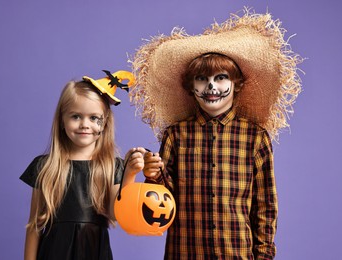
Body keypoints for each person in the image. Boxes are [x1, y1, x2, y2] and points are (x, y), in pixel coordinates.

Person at [129, 9, 303, 260]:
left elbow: (265, 205)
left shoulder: (255, 138)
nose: (211, 86)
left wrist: (264, 254)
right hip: (185, 252)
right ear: (192, 87)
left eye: (220, 78)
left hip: (237, 253)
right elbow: (163, 201)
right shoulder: (176, 135)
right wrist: (153, 173)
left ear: (236, 84)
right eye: (202, 78)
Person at [20, 70, 146, 260]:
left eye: (94, 118)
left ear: (105, 123)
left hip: (95, 252)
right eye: (76, 116)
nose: (85, 124)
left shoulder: (112, 166)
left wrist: (129, 174)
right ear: (62, 120)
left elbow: (115, 214)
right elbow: (34, 225)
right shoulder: (45, 166)